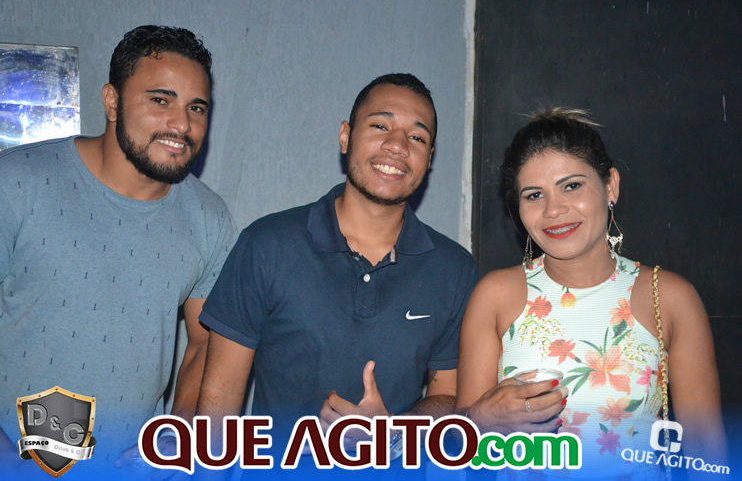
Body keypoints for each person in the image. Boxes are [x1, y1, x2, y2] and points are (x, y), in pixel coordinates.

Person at [196, 73, 478, 474]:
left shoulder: (454, 269)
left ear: (428, 158)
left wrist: (395, 431)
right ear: (345, 136)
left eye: (416, 137)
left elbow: (450, 396)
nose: (397, 146)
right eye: (380, 126)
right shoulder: (267, 245)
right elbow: (219, 397)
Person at [0, 25, 236, 478]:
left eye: (196, 107)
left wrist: (176, 438)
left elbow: (204, 343)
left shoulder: (210, 218)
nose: (182, 125)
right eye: (160, 100)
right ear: (112, 102)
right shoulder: (17, 184)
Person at [456, 108, 726, 478]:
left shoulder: (669, 297)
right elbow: (458, 447)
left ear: (610, 186)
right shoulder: (494, 297)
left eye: (571, 186)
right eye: (534, 195)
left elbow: (706, 451)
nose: (554, 209)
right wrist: (479, 420)